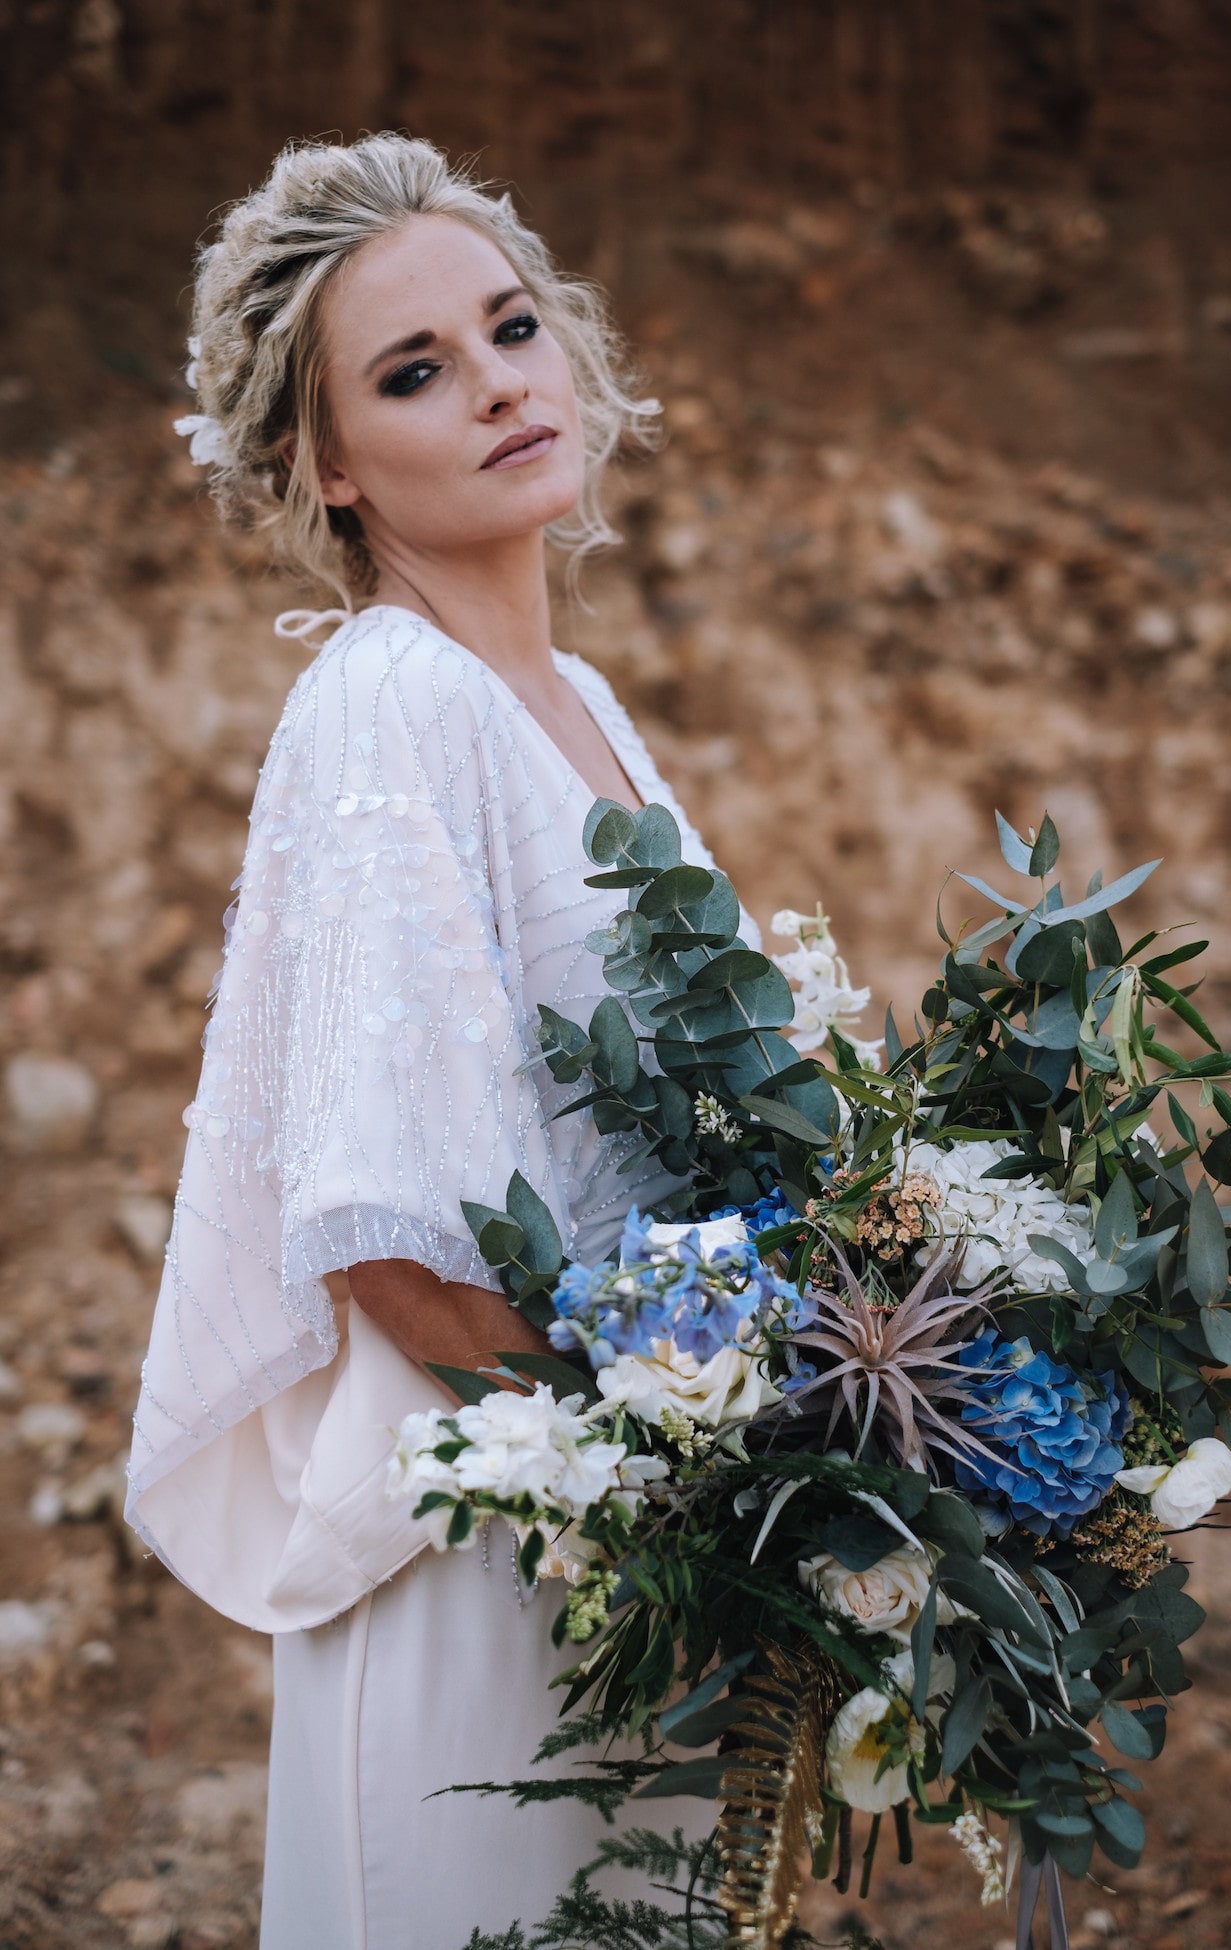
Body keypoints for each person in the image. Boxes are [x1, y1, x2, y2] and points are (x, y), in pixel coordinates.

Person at [124, 132, 754, 1947]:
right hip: (505, 1550)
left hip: (629, 1529)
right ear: (325, 461)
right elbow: (391, 1229)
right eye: (414, 372)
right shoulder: (386, 698)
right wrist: (642, 1494)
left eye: (509, 329)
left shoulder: (578, 702)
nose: (495, 385)